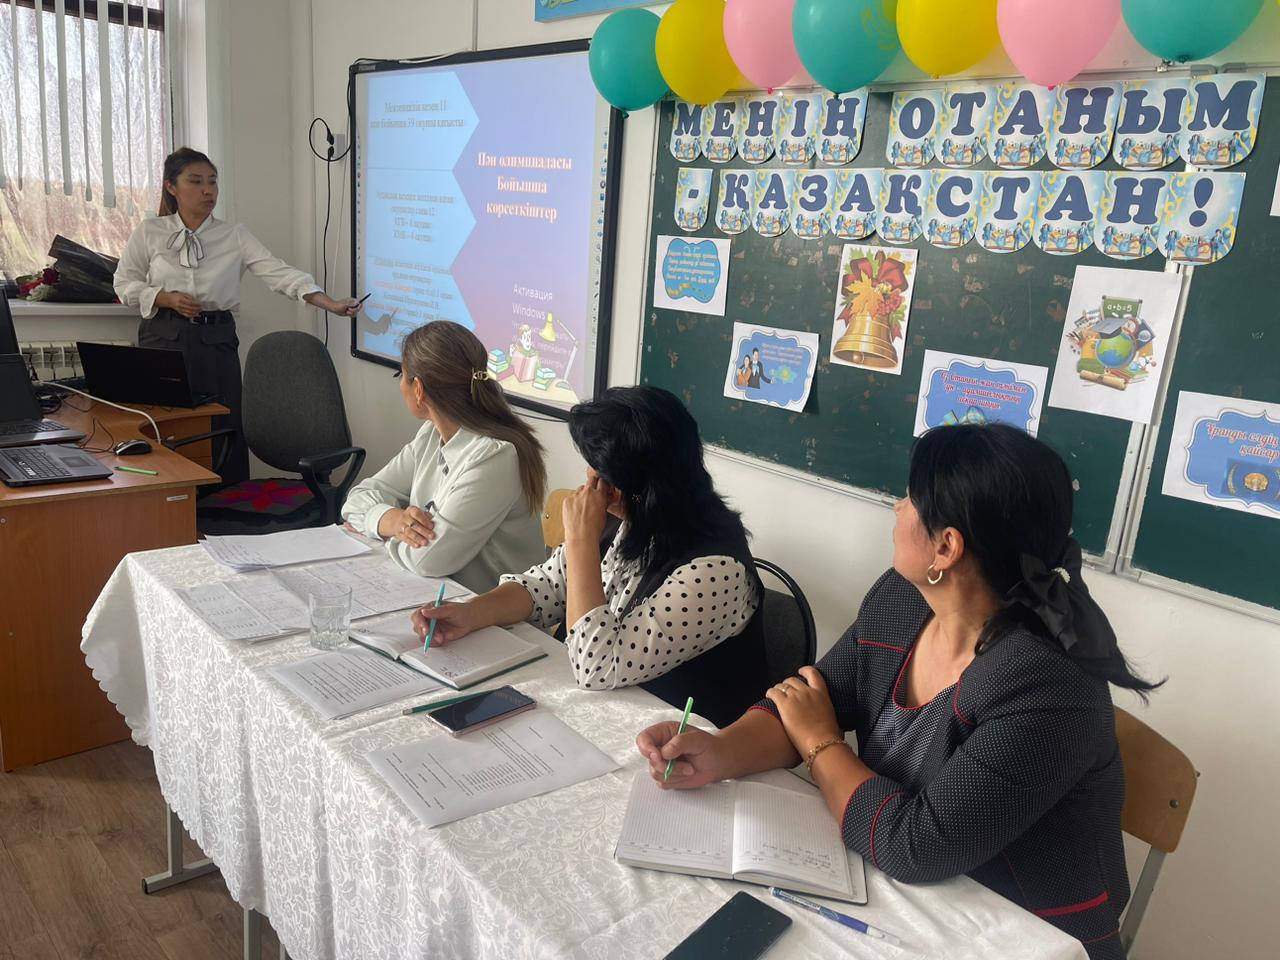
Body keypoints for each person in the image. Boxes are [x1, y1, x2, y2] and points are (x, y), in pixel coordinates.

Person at [636, 424, 1158, 959]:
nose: (896, 506)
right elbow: (808, 700)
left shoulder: (1048, 686)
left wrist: (821, 745)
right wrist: (720, 750)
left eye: (910, 498)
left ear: (946, 547)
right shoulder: (903, 600)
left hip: (1018, 932)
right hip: (898, 889)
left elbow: (915, 846)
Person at [412, 385, 766, 726]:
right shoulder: (632, 518)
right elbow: (545, 588)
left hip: (677, 744)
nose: (590, 479)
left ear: (641, 487)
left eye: (601, 471)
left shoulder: (716, 572)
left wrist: (581, 540)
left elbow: (598, 667)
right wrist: (471, 613)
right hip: (600, 712)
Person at [113, 147, 359, 484]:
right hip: (163, 337)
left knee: (224, 424)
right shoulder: (150, 231)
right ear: (171, 187)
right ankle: (172, 503)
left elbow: (278, 273)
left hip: (215, 340)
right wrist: (165, 298)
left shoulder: (234, 235)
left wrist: (329, 303)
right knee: (166, 425)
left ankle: (227, 502)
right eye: (196, 182)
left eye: (212, 182)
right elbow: (123, 283)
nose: (207, 190)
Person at [341, 321, 547, 594]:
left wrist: (378, 527)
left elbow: (428, 560)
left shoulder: (496, 457)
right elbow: (357, 498)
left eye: (401, 375)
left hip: (492, 613)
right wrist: (392, 520)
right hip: (440, 596)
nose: (400, 384)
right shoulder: (430, 436)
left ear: (419, 389)